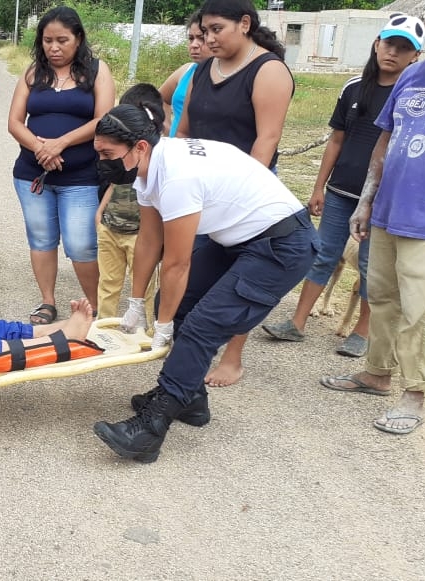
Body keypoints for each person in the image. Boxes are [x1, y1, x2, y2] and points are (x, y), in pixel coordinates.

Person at [90, 103, 316, 463]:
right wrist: (135, 302)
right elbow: (150, 241)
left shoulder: (177, 175)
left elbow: (177, 263)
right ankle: (191, 398)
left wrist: (163, 325)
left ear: (139, 147)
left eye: (107, 154)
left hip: (281, 244)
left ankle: (151, 427)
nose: (102, 161)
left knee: (201, 324)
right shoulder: (149, 169)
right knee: (178, 300)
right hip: (239, 237)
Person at [320, 0, 425, 436]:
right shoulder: (413, 73)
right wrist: (366, 201)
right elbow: (384, 141)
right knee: (384, 297)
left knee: (421, 309)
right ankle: (376, 373)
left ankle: (415, 394)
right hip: (388, 211)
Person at [262, 15, 424, 357]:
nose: (393, 52)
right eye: (389, 43)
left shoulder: (413, 95)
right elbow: (336, 140)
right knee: (322, 254)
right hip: (340, 191)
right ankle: (297, 322)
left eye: (404, 48)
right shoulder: (353, 87)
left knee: (371, 266)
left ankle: (362, 333)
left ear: (415, 57)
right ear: (377, 43)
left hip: (382, 199)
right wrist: (319, 186)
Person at [175, 0, 295, 388]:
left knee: (239, 276)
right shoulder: (202, 69)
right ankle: (193, 346)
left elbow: (267, 142)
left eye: (216, 30)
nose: (208, 38)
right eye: (203, 31)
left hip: (247, 194)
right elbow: (184, 131)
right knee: (194, 270)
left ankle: (233, 356)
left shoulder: (269, 71)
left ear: (245, 24)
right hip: (199, 190)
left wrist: (234, 201)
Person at [7, 6, 114, 323]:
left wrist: (60, 143)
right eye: (47, 40)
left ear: (78, 39)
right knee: (40, 239)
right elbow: (14, 122)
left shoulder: (97, 71)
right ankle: (47, 302)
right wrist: (40, 147)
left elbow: (104, 120)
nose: (53, 47)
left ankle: (95, 307)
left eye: (62, 40)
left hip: (81, 176)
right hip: (32, 175)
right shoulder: (32, 73)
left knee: (81, 244)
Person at [96, 84, 159, 322]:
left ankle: (150, 329)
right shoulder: (117, 155)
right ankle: (103, 327)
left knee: (145, 285)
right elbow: (112, 185)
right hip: (110, 227)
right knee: (108, 282)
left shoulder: (148, 160)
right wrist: (100, 213)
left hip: (139, 234)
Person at [157, 10, 205, 137]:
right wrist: (167, 128)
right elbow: (158, 99)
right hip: (176, 150)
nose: (194, 45)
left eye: (201, 38)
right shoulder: (186, 71)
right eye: (191, 38)